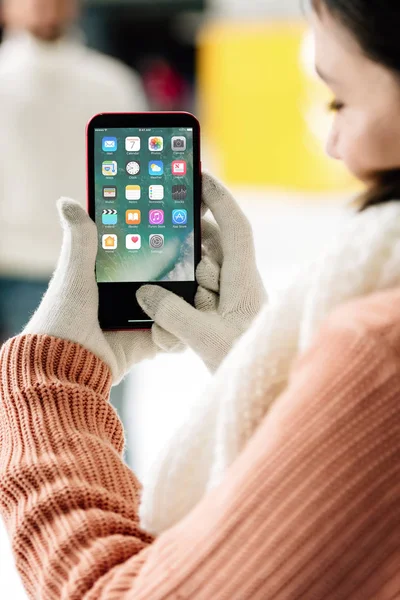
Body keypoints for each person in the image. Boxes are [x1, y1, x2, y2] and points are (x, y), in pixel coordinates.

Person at [0, 1, 400, 599]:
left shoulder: (380, 348)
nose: (333, 145)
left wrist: (46, 385)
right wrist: (256, 364)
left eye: (339, 99)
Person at [0, 0, 147, 341]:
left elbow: (133, 186)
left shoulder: (113, 84)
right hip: (11, 262)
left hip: (87, 270)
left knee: (88, 388)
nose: (45, 7)